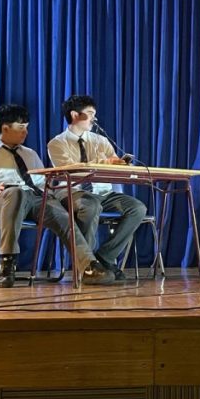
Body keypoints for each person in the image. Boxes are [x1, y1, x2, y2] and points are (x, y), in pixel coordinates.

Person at [0, 103, 115, 287]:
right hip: (2, 199)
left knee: (64, 217)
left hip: (35, 199)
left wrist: (52, 195)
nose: (25, 132)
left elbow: (42, 184)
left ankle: (88, 267)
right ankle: (7, 264)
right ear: (5, 128)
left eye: (27, 128)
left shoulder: (30, 154)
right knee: (16, 193)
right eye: (21, 128)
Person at [48, 94, 147, 281]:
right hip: (73, 191)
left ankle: (103, 258)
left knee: (138, 208)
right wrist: (104, 162)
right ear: (75, 115)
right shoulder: (56, 143)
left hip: (103, 192)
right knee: (91, 206)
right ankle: (86, 266)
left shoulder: (101, 140)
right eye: (90, 113)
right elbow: (71, 170)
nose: (94, 118)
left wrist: (120, 164)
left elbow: (113, 166)